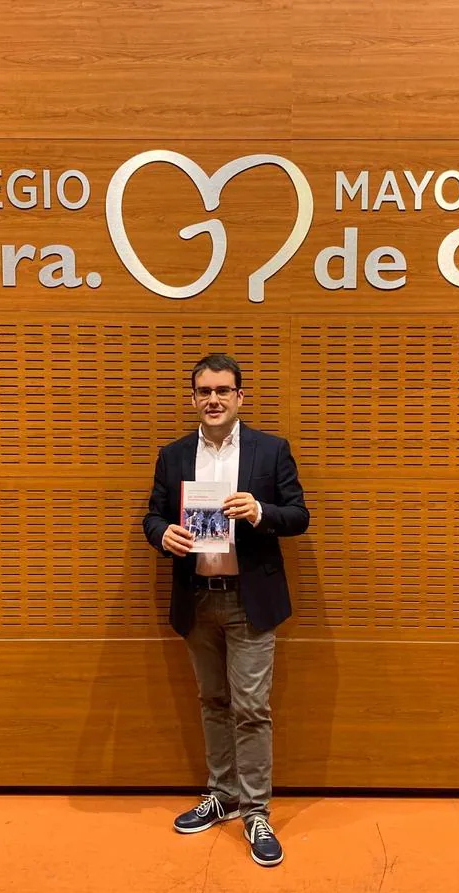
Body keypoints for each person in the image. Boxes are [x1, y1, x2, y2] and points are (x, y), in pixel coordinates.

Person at [142, 353, 310, 868]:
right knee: (213, 700)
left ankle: (256, 810)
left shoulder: (270, 450)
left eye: (223, 390)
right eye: (204, 391)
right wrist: (161, 534)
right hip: (197, 597)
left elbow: (299, 515)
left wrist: (260, 512)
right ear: (193, 398)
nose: (212, 399)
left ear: (240, 396)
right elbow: (151, 515)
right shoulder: (173, 456)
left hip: (249, 600)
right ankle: (222, 794)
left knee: (252, 707)